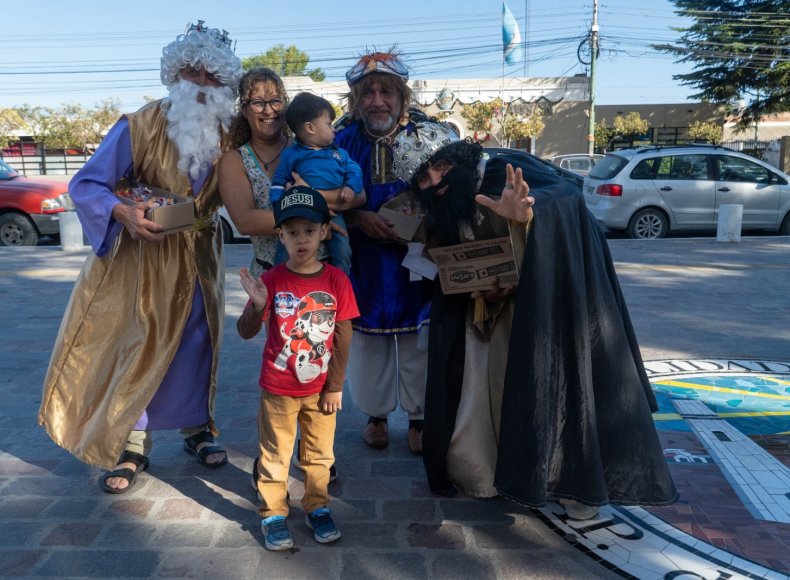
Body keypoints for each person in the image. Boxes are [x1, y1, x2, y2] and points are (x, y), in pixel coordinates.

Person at [399, 134, 678, 515]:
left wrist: (528, 215)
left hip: (551, 312)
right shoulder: (451, 198)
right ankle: (490, 473)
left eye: (439, 171)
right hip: (488, 320)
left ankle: (574, 484)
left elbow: (563, 197)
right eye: (425, 181)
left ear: (451, 162)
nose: (434, 184)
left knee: (561, 388)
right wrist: (476, 284)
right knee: (491, 393)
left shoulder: (509, 172)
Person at [38, 21, 242, 494]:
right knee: (140, 341)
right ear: (176, 75)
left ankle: (198, 430)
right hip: (143, 259)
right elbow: (86, 184)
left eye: (212, 76)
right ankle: (132, 443)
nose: (201, 85)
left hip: (200, 256)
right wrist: (122, 212)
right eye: (192, 74)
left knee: (198, 340)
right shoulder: (141, 124)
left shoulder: (232, 133)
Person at [237, 186, 359, 551]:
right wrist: (257, 306)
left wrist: (335, 385)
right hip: (277, 388)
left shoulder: (337, 281)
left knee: (320, 454)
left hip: (321, 390)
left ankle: (317, 506)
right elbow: (244, 332)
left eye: (309, 230)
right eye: (292, 232)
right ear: (280, 236)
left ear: (324, 231)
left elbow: (343, 336)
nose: (301, 239)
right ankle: (273, 511)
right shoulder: (272, 280)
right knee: (275, 452)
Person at [334, 49, 434, 455]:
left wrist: (420, 227)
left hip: (417, 259)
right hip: (364, 261)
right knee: (368, 343)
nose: (377, 100)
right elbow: (323, 200)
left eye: (386, 92)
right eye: (368, 92)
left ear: (402, 97)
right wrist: (358, 219)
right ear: (356, 100)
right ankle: (375, 416)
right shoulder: (339, 142)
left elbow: (452, 195)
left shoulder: (429, 139)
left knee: (418, 341)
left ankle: (419, 418)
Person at [270, 92, 363, 274]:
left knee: (343, 249)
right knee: (285, 249)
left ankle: (340, 282)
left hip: (334, 213)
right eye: (328, 124)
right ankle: (278, 281)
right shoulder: (292, 154)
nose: (333, 129)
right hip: (299, 213)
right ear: (310, 128)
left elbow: (355, 170)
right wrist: (278, 204)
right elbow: (279, 181)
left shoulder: (339, 153)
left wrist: (350, 187)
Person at [219, 67, 290, 277]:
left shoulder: (304, 150)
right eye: (258, 103)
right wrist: (313, 217)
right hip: (267, 279)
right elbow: (245, 220)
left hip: (316, 279)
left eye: (275, 100)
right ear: (244, 109)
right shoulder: (235, 160)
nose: (268, 111)